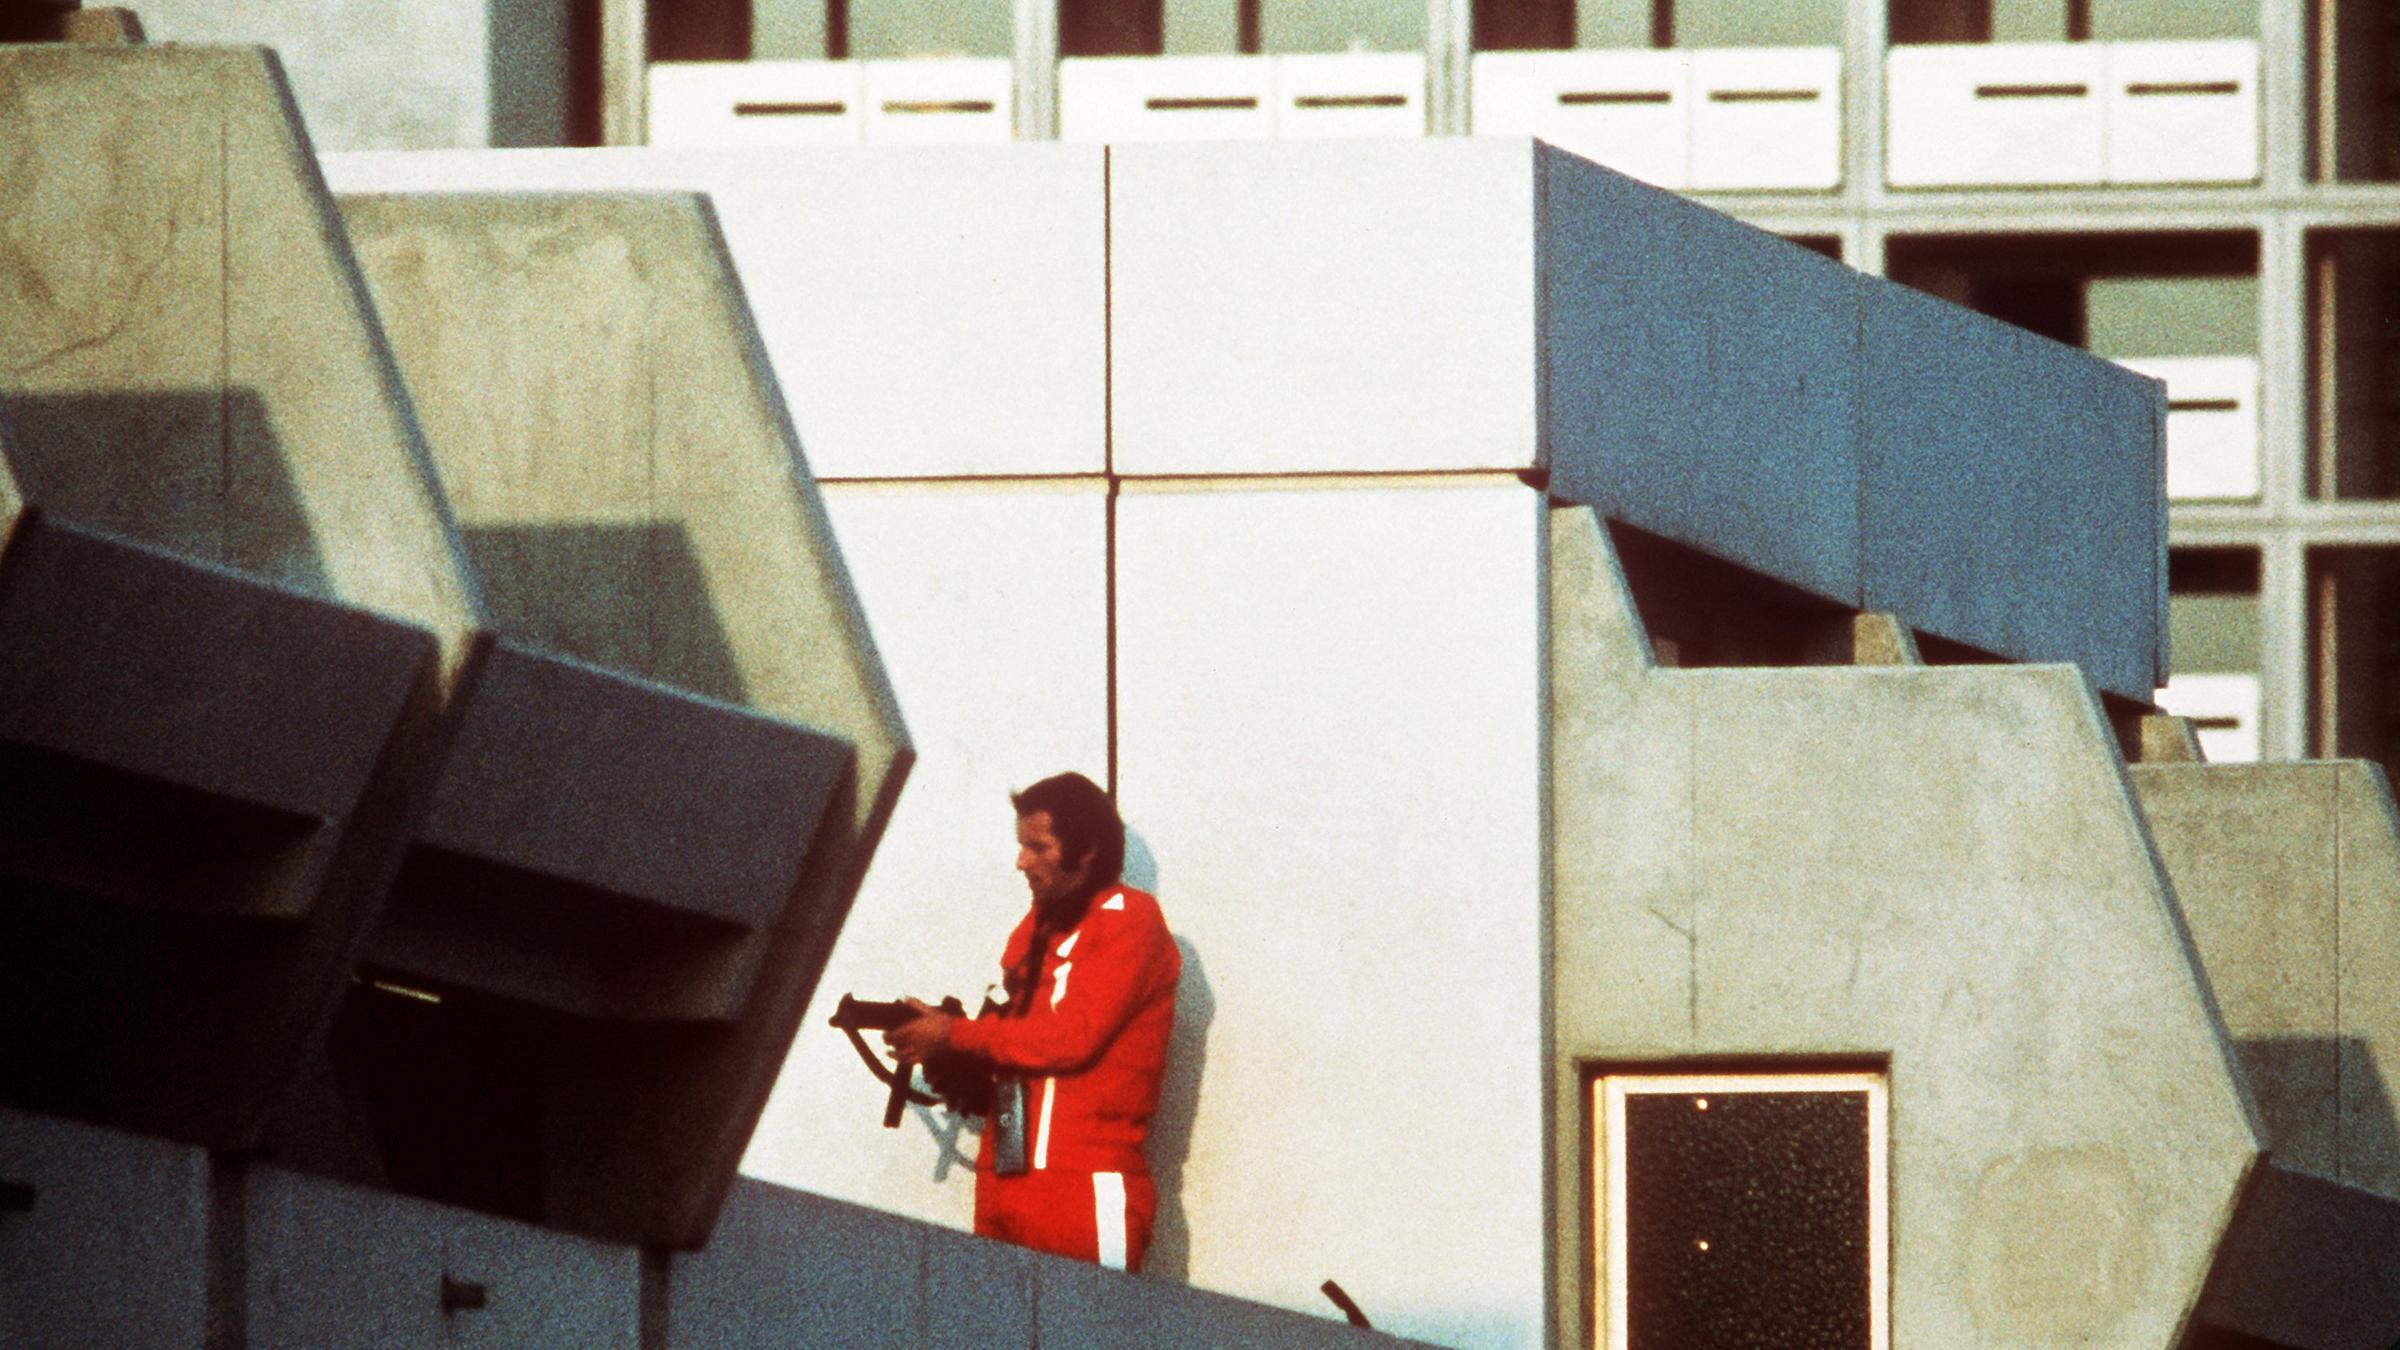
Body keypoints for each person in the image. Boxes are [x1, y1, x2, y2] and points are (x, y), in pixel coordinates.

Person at [884, 771, 1179, 1272]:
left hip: (1080, 1190)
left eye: (1038, 847)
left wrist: (955, 1034)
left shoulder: (1129, 916)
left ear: (1086, 850)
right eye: (1022, 846)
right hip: (1004, 1180)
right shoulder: (1038, 926)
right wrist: (948, 1043)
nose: (1022, 862)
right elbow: (1011, 1036)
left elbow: (1071, 1038)